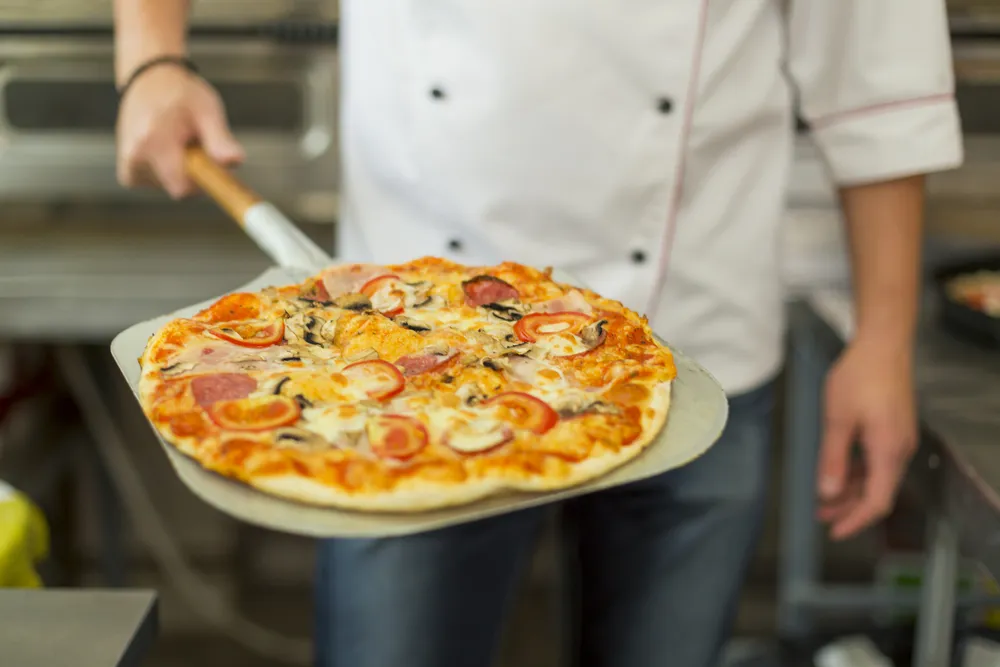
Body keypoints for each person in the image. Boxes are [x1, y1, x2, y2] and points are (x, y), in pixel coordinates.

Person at [113, 1, 963, 666]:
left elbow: (876, 70)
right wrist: (152, 56)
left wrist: (882, 338)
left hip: (701, 314)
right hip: (391, 342)